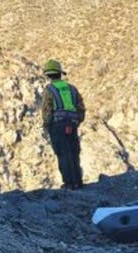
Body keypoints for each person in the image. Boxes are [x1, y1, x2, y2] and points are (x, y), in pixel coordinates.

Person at [40, 59, 86, 189]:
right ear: (60, 73)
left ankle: (69, 183)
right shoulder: (72, 88)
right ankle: (78, 181)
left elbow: (46, 110)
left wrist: (47, 125)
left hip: (57, 126)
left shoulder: (49, 90)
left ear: (48, 75)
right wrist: (76, 122)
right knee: (73, 152)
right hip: (72, 124)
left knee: (63, 153)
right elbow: (81, 108)